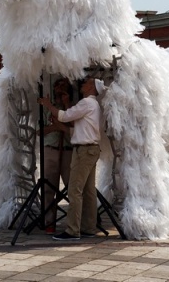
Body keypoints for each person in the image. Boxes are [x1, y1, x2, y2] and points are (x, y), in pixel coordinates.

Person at [38, 76, 105, 241]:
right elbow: (72, 127)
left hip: (84, 151)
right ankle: (88, 227)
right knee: (88, 191)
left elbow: (65, 116)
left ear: (92, 87)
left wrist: (48, 105)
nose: (83, 84)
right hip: (89, 149)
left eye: (87, 82)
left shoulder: (87, 103)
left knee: (74, 190)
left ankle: (72, 230)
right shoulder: (92, 104)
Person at [42, 78, 74, 235]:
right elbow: (39, 130)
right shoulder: (47, 108)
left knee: (72, 187)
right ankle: (49, 221)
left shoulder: (73, 107)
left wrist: (67, 104)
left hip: (68, 150)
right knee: (48, 188)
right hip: (51, 149)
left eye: (64, 88)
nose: (60, 91)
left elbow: (75, 126)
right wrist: (55, 127)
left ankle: (74, 222)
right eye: (58, 88)